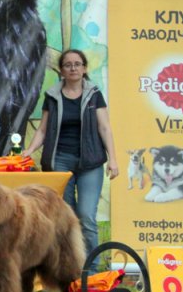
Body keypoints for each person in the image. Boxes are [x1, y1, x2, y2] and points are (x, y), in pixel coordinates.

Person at [21, 48, 119, 274]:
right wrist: (29, 150)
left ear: (84, 69)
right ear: (61, 70)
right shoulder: (52, 96)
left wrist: (113, 159)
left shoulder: (94, 94)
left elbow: (105, 128)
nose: (73, 68)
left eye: (77, 64)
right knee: (65, 217)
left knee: (86, 215)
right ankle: (70, 268)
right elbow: (43, 130)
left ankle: (91, 271)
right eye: (68, 64)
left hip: (90, 162)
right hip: (59, 163)